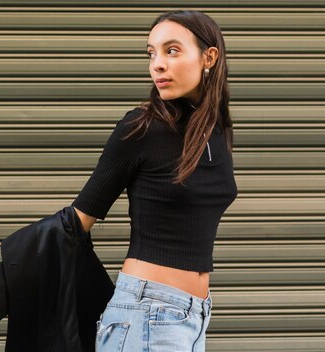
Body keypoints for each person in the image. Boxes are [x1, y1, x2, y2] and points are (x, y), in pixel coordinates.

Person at [70, 10, 238, 351]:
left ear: (209, 57)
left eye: (171, 50)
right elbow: (74, 222)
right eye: (152, 53)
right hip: (147, 312)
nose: (157, 64)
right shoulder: (141, 128)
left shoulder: (215, 131)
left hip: (193, 316)